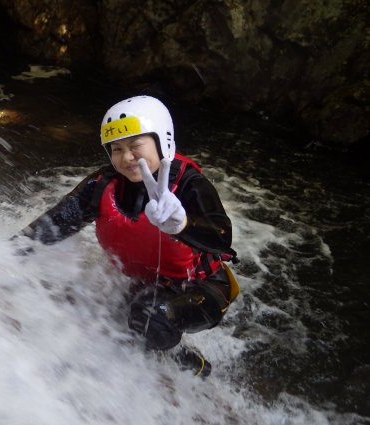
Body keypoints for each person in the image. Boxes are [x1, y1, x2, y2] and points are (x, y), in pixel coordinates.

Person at [19, 95, 239, 377]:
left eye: (136, 146)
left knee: (150, 318)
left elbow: (222, 239)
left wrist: (184, 224)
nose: (126, 157)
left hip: (204, 289)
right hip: (146, 285)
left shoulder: (190, 185)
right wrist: (9, 252)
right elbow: (53, 224)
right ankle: (167, 349)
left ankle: (190, 366)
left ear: (163, 142)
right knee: (95, 315)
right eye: (116, 149)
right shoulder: (101, 185)